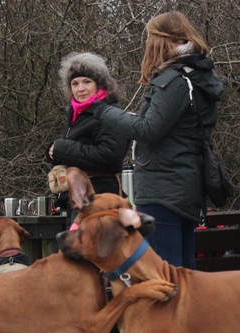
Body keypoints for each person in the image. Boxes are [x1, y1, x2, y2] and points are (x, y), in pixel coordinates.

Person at [91, 11, 225, 268]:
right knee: (182, 273)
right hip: (184, 183)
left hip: (164, 187)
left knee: (163, 272)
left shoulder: (174, 81)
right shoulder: (197, 76)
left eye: (149, 37)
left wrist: (105, 112)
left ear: (160, 39)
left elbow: (148, 129)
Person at [46, 52, 129, 225]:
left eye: (87, 82)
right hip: (79, 199)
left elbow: (111, 156)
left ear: (100, 84)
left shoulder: (109, 114)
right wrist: (54, 154)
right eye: (75, 83)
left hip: (99, 200)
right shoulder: (77, 114)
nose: (80, 88)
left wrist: (62, 149)